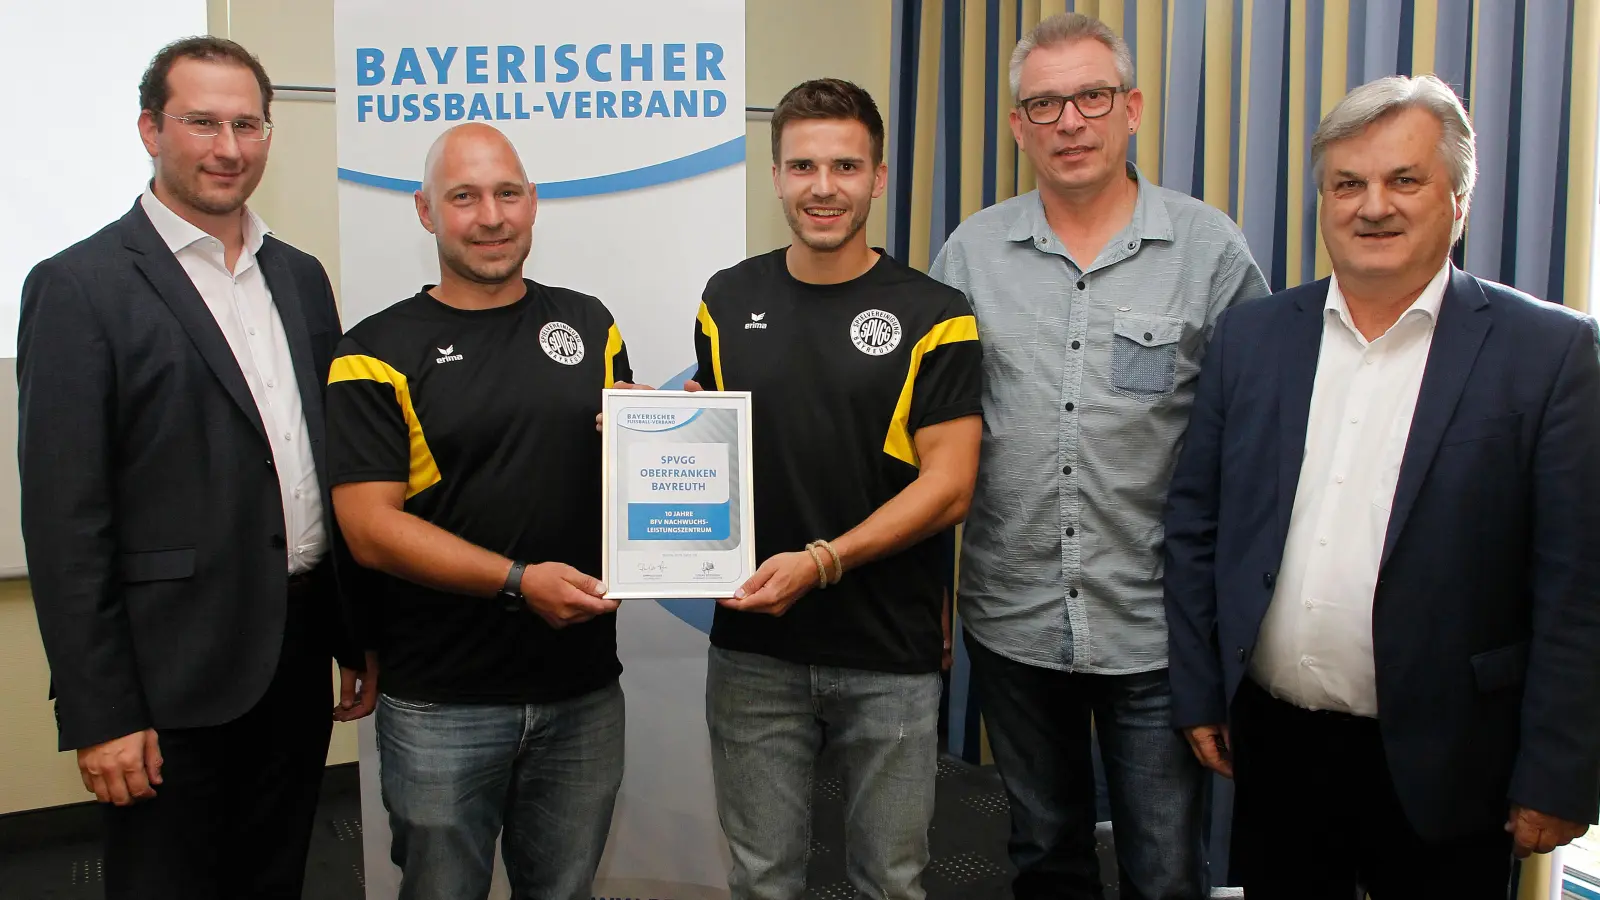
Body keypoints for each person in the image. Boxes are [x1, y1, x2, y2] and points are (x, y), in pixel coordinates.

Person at [1163, 73, 1600, 899]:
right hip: (1279, 746)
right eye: (1348, 183)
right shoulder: (1253, 336)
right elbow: (1195, 523)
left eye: (1405, 180)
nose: (1374, 206)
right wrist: (1199, 687)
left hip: (1454, 760)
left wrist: (1558, 772)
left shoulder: (1549, 354)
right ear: (1323, 201)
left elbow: (1577, 585)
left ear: (1459, 201)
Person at [16, 36, 373, 900]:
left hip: (291, 659)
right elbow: (67, 521)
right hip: (166, 679)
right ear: (150, 129)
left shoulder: (299, 276)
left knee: (276, 876)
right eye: (202, 122)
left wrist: (348, 632)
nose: (228, 147)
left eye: (247, 123)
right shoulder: (80, 286)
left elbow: (312, 465)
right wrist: (103, 714)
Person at [929, 13, 1267, 899]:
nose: (1068, 121)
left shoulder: (1209, 249)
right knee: (1046, 857)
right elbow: (920, 423)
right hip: (1014, 617)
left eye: (1091, 96)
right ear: (1017, 125)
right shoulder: (971, 252)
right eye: (1043, 103)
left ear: (1133, 108)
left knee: (1164, 871)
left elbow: (1260, 434)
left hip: (1156, 630)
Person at [688, 78, 982, 900]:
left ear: (878, 178)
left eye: (846, 166)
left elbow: (951, 485)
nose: (824, 188)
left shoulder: (937, 313)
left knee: (890, 878)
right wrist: (651, 444)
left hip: (888, 648)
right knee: (762, 876)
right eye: (804, 165)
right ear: (775, 174)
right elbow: (719, 443)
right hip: (754, 648)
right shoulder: (726, 300)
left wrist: (821, 562)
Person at [326, 122, 636, 900]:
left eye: (506, 194)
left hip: (583, 689)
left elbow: (623, 472)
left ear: (533, 204)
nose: (490, 216)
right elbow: (368, 527)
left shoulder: (590, 324)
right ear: (426, 211)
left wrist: (674, 433)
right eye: (463, 197)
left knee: (564, 890)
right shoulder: (373, 351)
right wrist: (518, 581)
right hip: (441, 700)